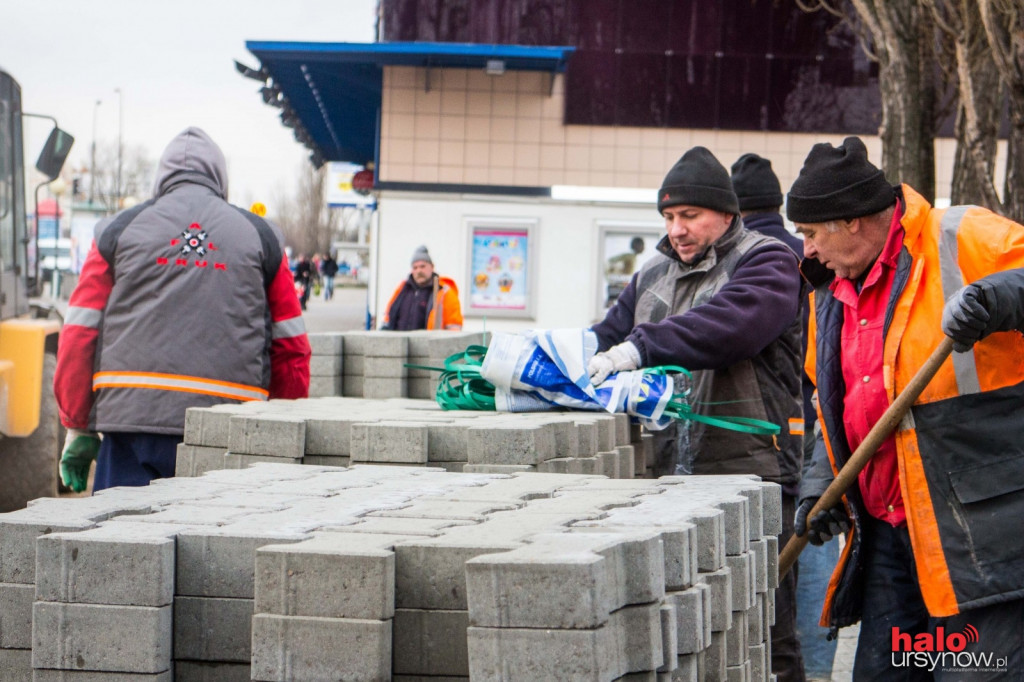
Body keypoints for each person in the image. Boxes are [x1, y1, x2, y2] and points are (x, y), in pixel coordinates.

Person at [790, 136, 1024, 680]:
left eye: (810, 233)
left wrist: (998, 300)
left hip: (978, 538)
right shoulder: (831, 293)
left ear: (851, 221)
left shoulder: (959, 236)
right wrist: (819, 489)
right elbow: (834, 412)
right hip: (891, 544)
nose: (806, 251)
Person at [589, 146, 807, 682]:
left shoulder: (766, 260)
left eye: (690, 215)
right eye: (668, 217)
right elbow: (606, 337)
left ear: (727, 214)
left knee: (763, 629)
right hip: (665, 477)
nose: (677, 229)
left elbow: (731, 326)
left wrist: (641, 348)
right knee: (683, 634)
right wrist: (541, 360)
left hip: (750, 474)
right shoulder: (653, 273)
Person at [54, 127, 311, 493]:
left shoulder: (116, 232)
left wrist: (77, 423)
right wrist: (282, 428)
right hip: (232, 431)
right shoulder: (261, 238)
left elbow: (79, 333)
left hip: (131, 429)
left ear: (161, 178)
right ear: (221, 179)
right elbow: (292, 347)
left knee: (121, 543)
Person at [732, 153, 839, 681]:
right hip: (826, 410)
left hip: (785, 419)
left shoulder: (761, 255)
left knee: (802, 532)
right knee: (818, 536)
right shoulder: (810, 250)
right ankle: (819, 665)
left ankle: (798, 661)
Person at [381, 245, 463, 331]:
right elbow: (388, 317)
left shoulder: (444, 292)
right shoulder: (402, 289)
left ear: (432, 267)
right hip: (400, 343)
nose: (419, 271)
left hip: (429, 343)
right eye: (415, 268)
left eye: (422, 266)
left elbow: (454, 327)